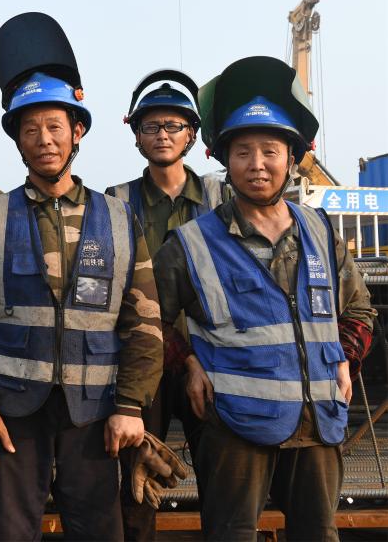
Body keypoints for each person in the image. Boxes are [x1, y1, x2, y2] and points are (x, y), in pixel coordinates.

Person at [0, 12, 163, 541]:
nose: (44, 139)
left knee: (98, 530)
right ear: (17, 141)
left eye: (54, 127)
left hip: (95, 413)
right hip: (15, 412)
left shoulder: (118, 219)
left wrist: (131, 406)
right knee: (12, 531)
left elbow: (144, 322)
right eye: (31, 129)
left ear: (77, 131)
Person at [153, 56, 376, 542]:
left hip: (317, 424)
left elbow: (360, 309)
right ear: (225, 161)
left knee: (318, 534)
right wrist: (187, 363)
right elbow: (148, 321)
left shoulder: (321, 232)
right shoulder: (191, 244)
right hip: (235, 427)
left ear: (291, 158)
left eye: (270, 151)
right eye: (243, 152)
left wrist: (345, 355)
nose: (257, 164)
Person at [105, 70, 228, 540]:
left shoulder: (221, 198)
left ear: (192, 135)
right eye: (151, 126)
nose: (162, 135)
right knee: (137, 484)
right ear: (136, 135)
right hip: (142, 364)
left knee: (224, 482)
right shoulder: (116, 203)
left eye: (174, 125)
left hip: (212, 362)